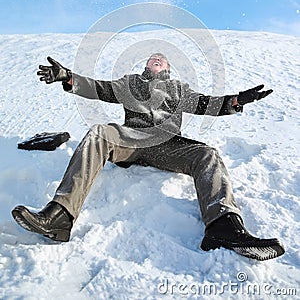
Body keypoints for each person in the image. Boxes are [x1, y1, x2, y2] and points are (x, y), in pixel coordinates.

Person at [12, 53, 285, 261]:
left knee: (207, 153)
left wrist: (236, 101)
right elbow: (99, 88)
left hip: (168, 145)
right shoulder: (130, 83)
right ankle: (60, 215)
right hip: (130, 139)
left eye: (162, 60)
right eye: (153, 58)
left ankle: (224, 226)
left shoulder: (179, 90)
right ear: (146, 67)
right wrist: (69, 78)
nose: (157, 59)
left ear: (167, 69)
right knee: (99, 132)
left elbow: (206, 104)